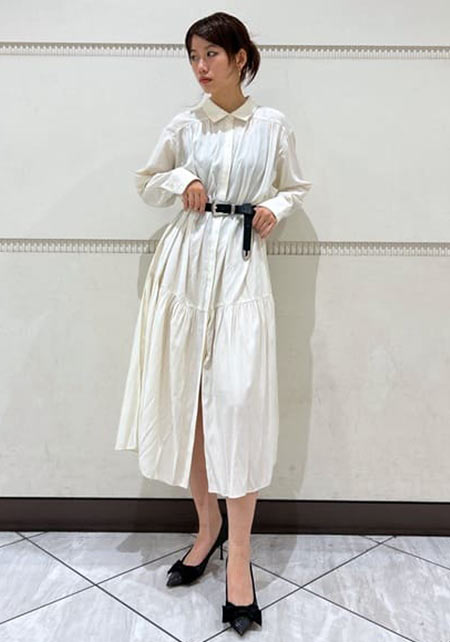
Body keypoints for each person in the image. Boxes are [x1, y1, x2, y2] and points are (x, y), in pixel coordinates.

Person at [115, 11, 312, 636]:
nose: (200, 67)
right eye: (194, 56)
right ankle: (207, 530)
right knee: (193, 406)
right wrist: (183, 177)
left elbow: (295, 187)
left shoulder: (272, 125)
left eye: (211, 55)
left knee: (239, 404)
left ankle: (241, 559)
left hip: (241, 267)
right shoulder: (185, 125)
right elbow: (147, 183)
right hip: (185, 266)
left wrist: (275, 206)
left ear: (239, 58)